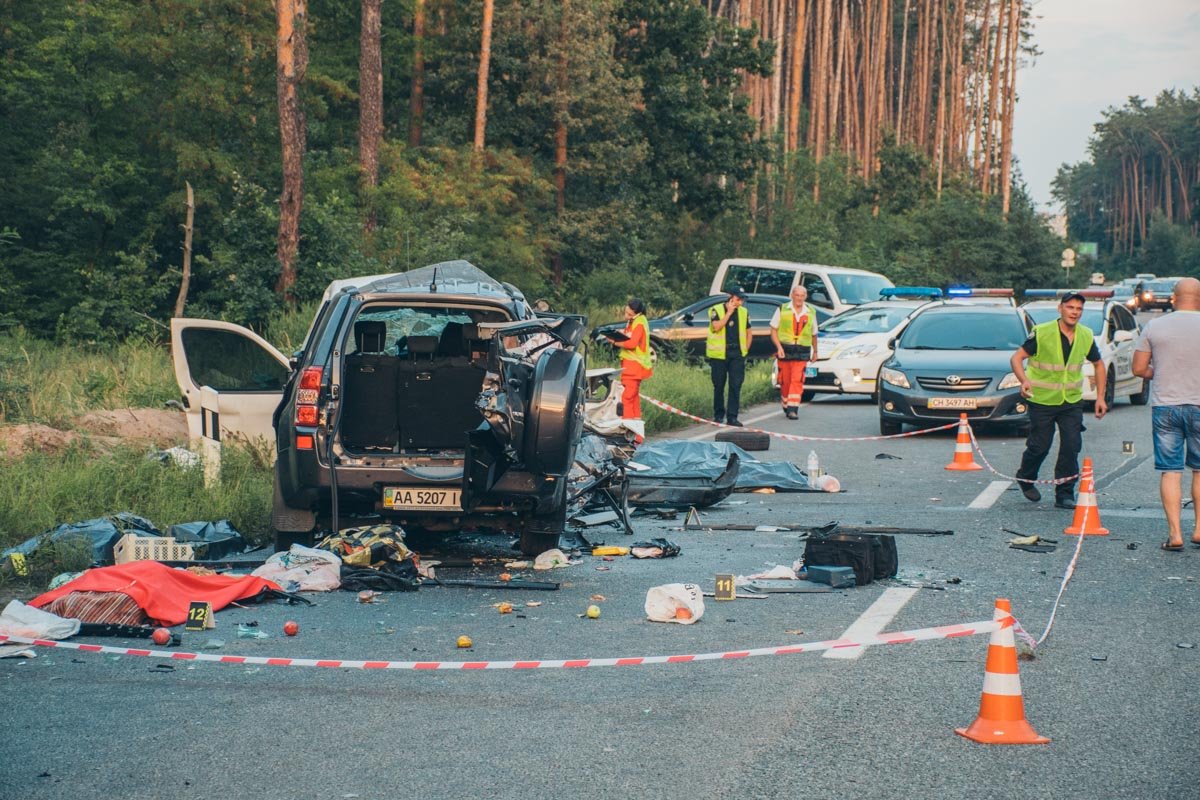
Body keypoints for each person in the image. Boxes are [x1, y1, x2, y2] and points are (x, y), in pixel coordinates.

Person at [1010, 291, 1107, 509]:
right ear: (1060, 308)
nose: (1075, 312)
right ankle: (1026, 477)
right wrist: (1024, 380)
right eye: (1070, 307)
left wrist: (1100, 397)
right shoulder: (1042, 332)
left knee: (1071, 446)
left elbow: (1099, 364)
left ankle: (1064, 493)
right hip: (1042, 400)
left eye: (1079, 309)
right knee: (1040, 446)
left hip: (1070, 401)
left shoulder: (1085, 335)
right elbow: (1016, 358)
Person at [1132, 277, 1200, 551]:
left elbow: (1138, 368)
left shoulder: (1155, 326)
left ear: (1174, 298)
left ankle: (1175, 534)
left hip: (1166, 407)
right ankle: (1199, 529)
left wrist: (1159, 372)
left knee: (1170, 472)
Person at [769, 286, 818, 420]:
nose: (799, 298)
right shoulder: (782, 309)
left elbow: (814, 334)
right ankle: (786, 404)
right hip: (785, 349)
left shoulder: (811, 312)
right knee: (785, 380)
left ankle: (793, 409)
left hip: (802, 351)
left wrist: (815, 352)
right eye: (797, 295)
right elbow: (773, 330)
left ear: (805, 297)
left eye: (802, 295)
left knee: (797, 380)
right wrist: (778, 347)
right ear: (792, 295)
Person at [707, 286, 753, 426]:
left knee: (735, 385)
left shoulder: (744, 312)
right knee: (719, 385)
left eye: (742, 299)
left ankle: (732, 417)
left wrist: (745, 350)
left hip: (737, 354)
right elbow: (717, 327)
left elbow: (749, 332)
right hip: (719, 354)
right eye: (738, 299)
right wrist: (729, 312)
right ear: (730, 296)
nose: (740, 302)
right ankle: (718, 415)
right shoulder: (716, 310)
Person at [604, 298, 653, 419]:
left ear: (637, 313)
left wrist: (615, 341)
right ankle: (636, 435)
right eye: (625, 312)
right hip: (630, 366)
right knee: (633, 399)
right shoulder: (634, 320)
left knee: (626, 398)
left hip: (634, 367)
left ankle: (628, 430)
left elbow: (632, 344)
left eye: (629, 314)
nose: (626, 316)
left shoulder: (639, 323)